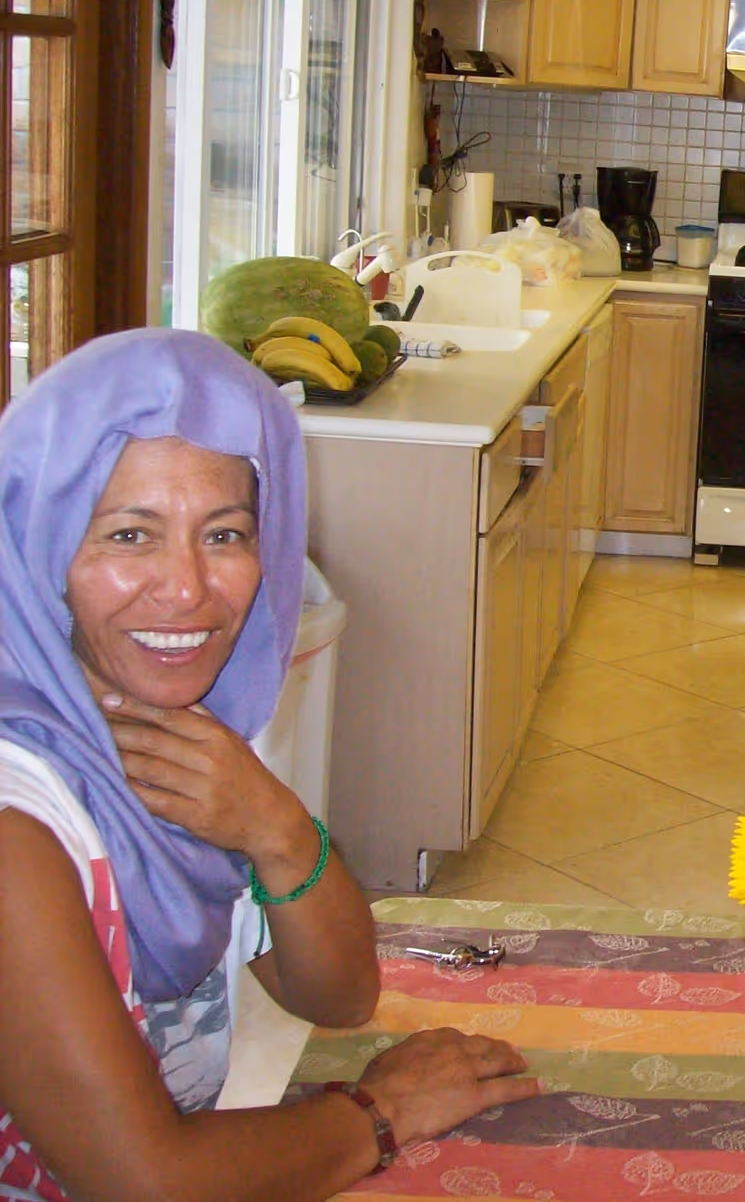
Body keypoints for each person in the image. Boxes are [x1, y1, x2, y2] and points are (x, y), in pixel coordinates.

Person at [0, 330, 539, 1201]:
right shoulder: (18, 823)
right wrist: (382, 1111)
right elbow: (145, 1182)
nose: (187, 588)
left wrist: (278, 828)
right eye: (130, 534)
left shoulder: (166, 730)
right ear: (37, 545)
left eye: (224, 533)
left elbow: (337, 996)